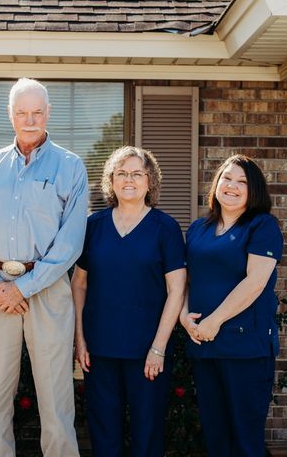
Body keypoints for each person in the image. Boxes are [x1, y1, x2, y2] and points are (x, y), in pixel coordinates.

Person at [0, 77, 89, 457]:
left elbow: (70, 244)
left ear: (48, 113)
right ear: (10, 115)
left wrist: (25, 287)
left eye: (37, 112)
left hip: (48, 291)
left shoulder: (71, 166)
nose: (30, 120)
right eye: (22, 112)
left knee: (55, 398)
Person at [72, 146, 186, 457]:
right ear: (111, 180)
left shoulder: (166, 228)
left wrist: (159, 348)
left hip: (147, 352)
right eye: (121, 173)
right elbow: (79, 284)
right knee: (103, 434)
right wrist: (80, 340)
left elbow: (177, 290)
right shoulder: (93, 226)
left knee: (147, 435)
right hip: (100, 350)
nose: (129, 180)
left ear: (150, 181)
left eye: (137, 173)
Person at [180, 154, 283, 457]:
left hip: (246, 350)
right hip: (205, 347)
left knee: (246, 441)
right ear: (216, 184)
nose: (232, 186)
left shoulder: (262, 226)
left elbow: (255, 282)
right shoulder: (199, 228)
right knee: (216, 438)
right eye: (227, 178)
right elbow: (187, 280)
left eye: (242, 182)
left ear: (254, 191)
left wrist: (214, 321)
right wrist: (185, 316)